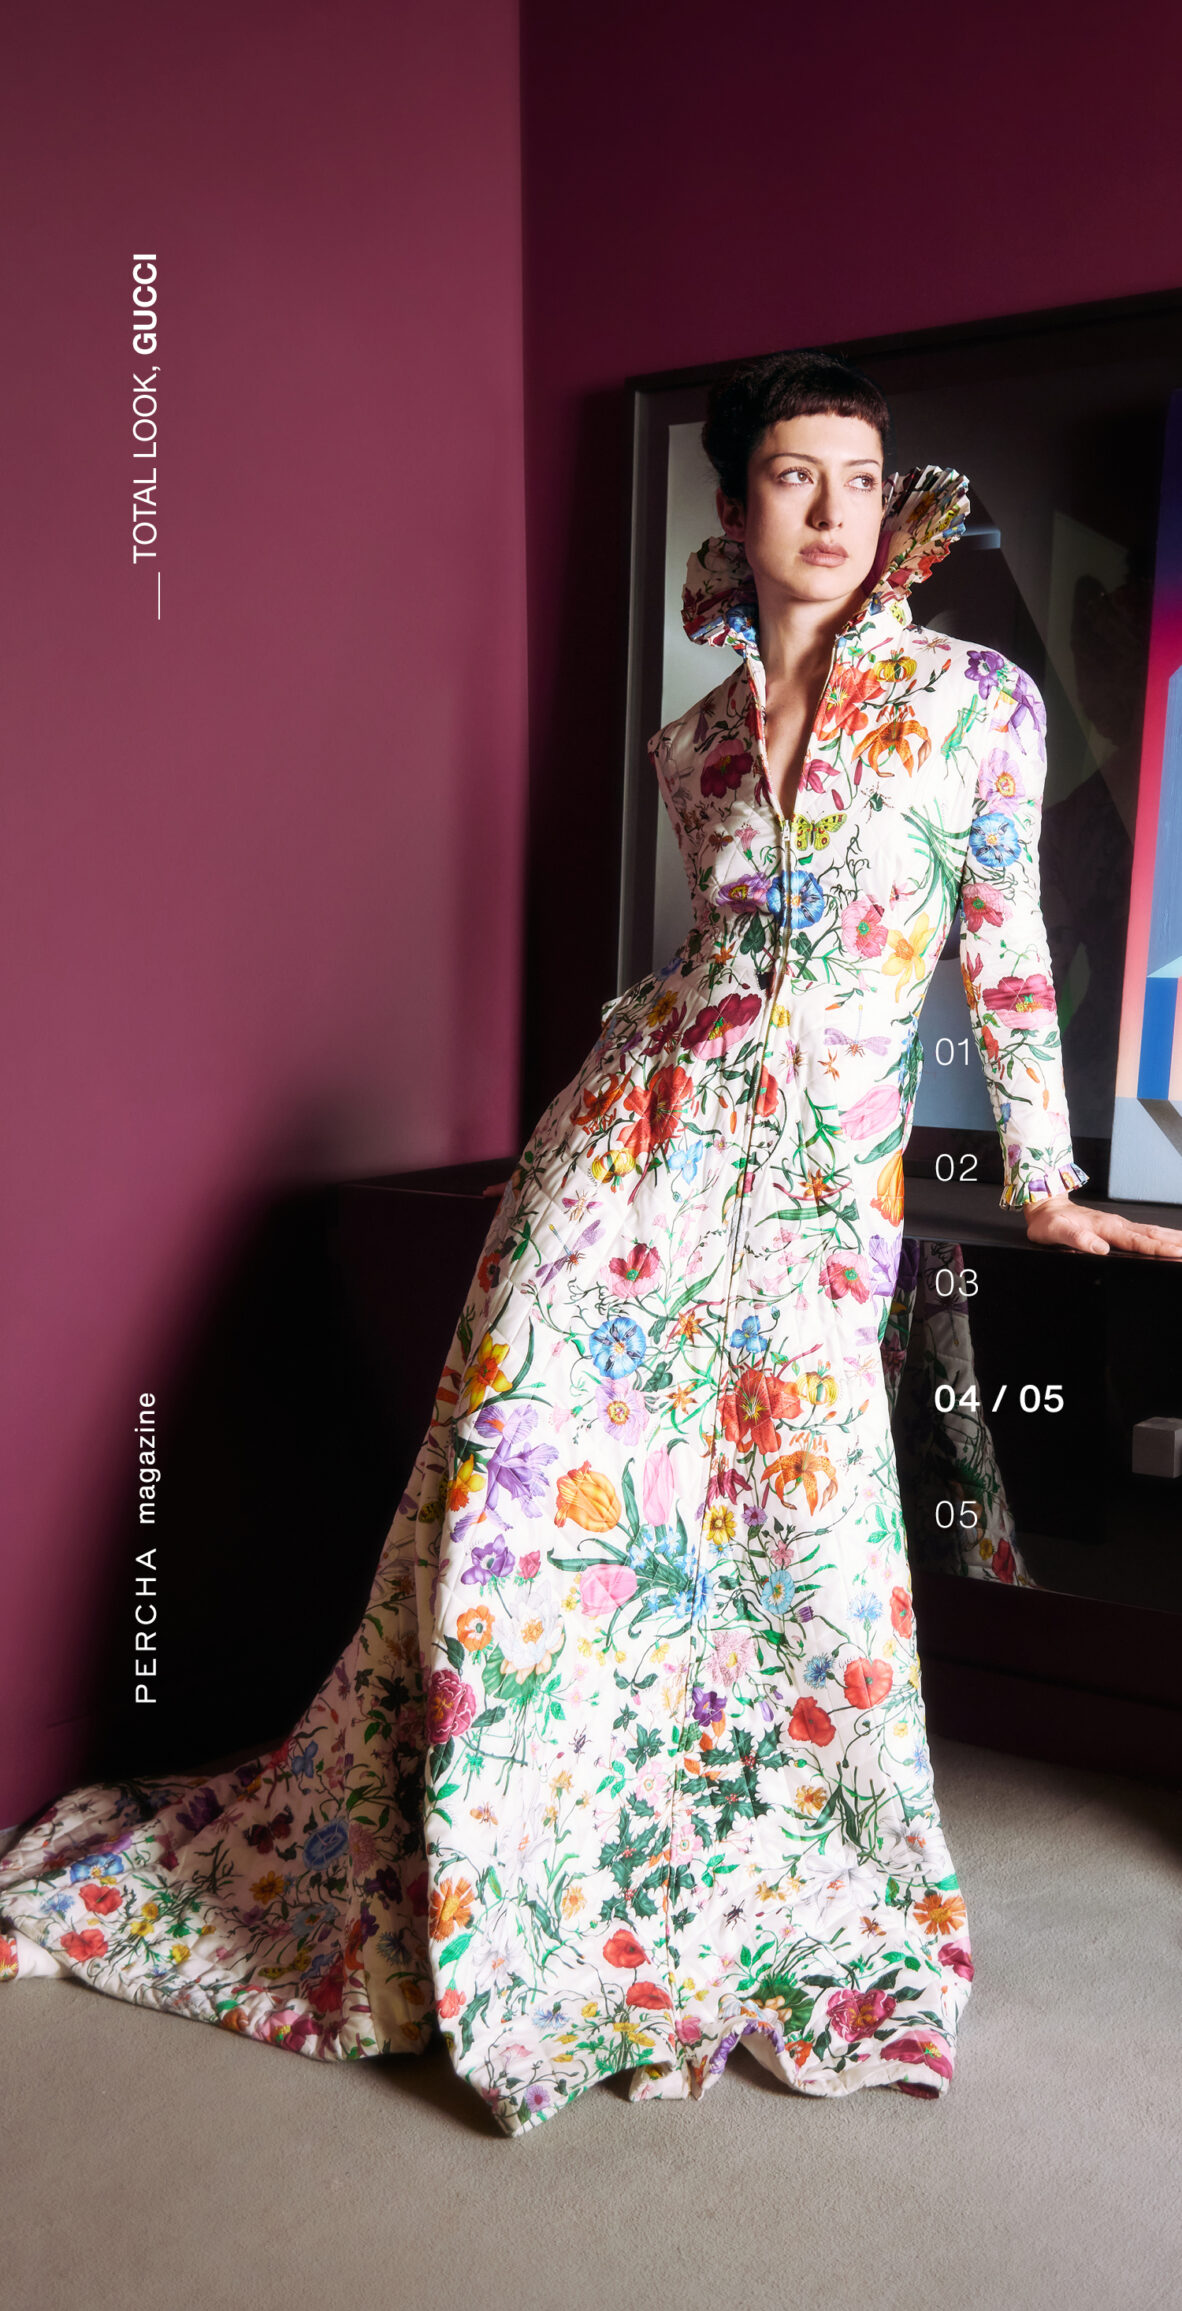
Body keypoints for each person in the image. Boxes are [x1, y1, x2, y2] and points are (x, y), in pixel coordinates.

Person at [4, 351, 1180, 2138]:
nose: (834, 512)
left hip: (810, 1200)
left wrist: (1040, 1176)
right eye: (794, 476)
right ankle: (516, 1868)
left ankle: (735, 1879)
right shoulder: (689, 745)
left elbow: (1002, 949)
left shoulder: (975, 705)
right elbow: (696, 973)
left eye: (862, 480)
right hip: (624, 1158)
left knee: (792, 1539)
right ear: (735, 501)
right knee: (525, 1488)